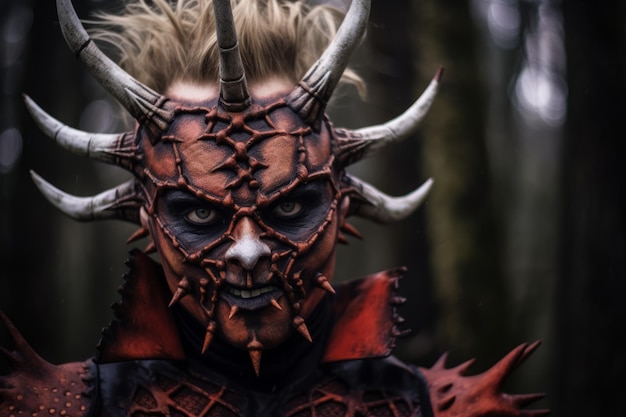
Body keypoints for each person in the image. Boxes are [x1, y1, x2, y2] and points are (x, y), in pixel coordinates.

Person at [1, 0, 549, 415]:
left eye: (290, 209)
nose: (247, 251)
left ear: (343, 203)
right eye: (198, 213)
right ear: (145, 214)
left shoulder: (453, 408)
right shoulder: (55, 405)